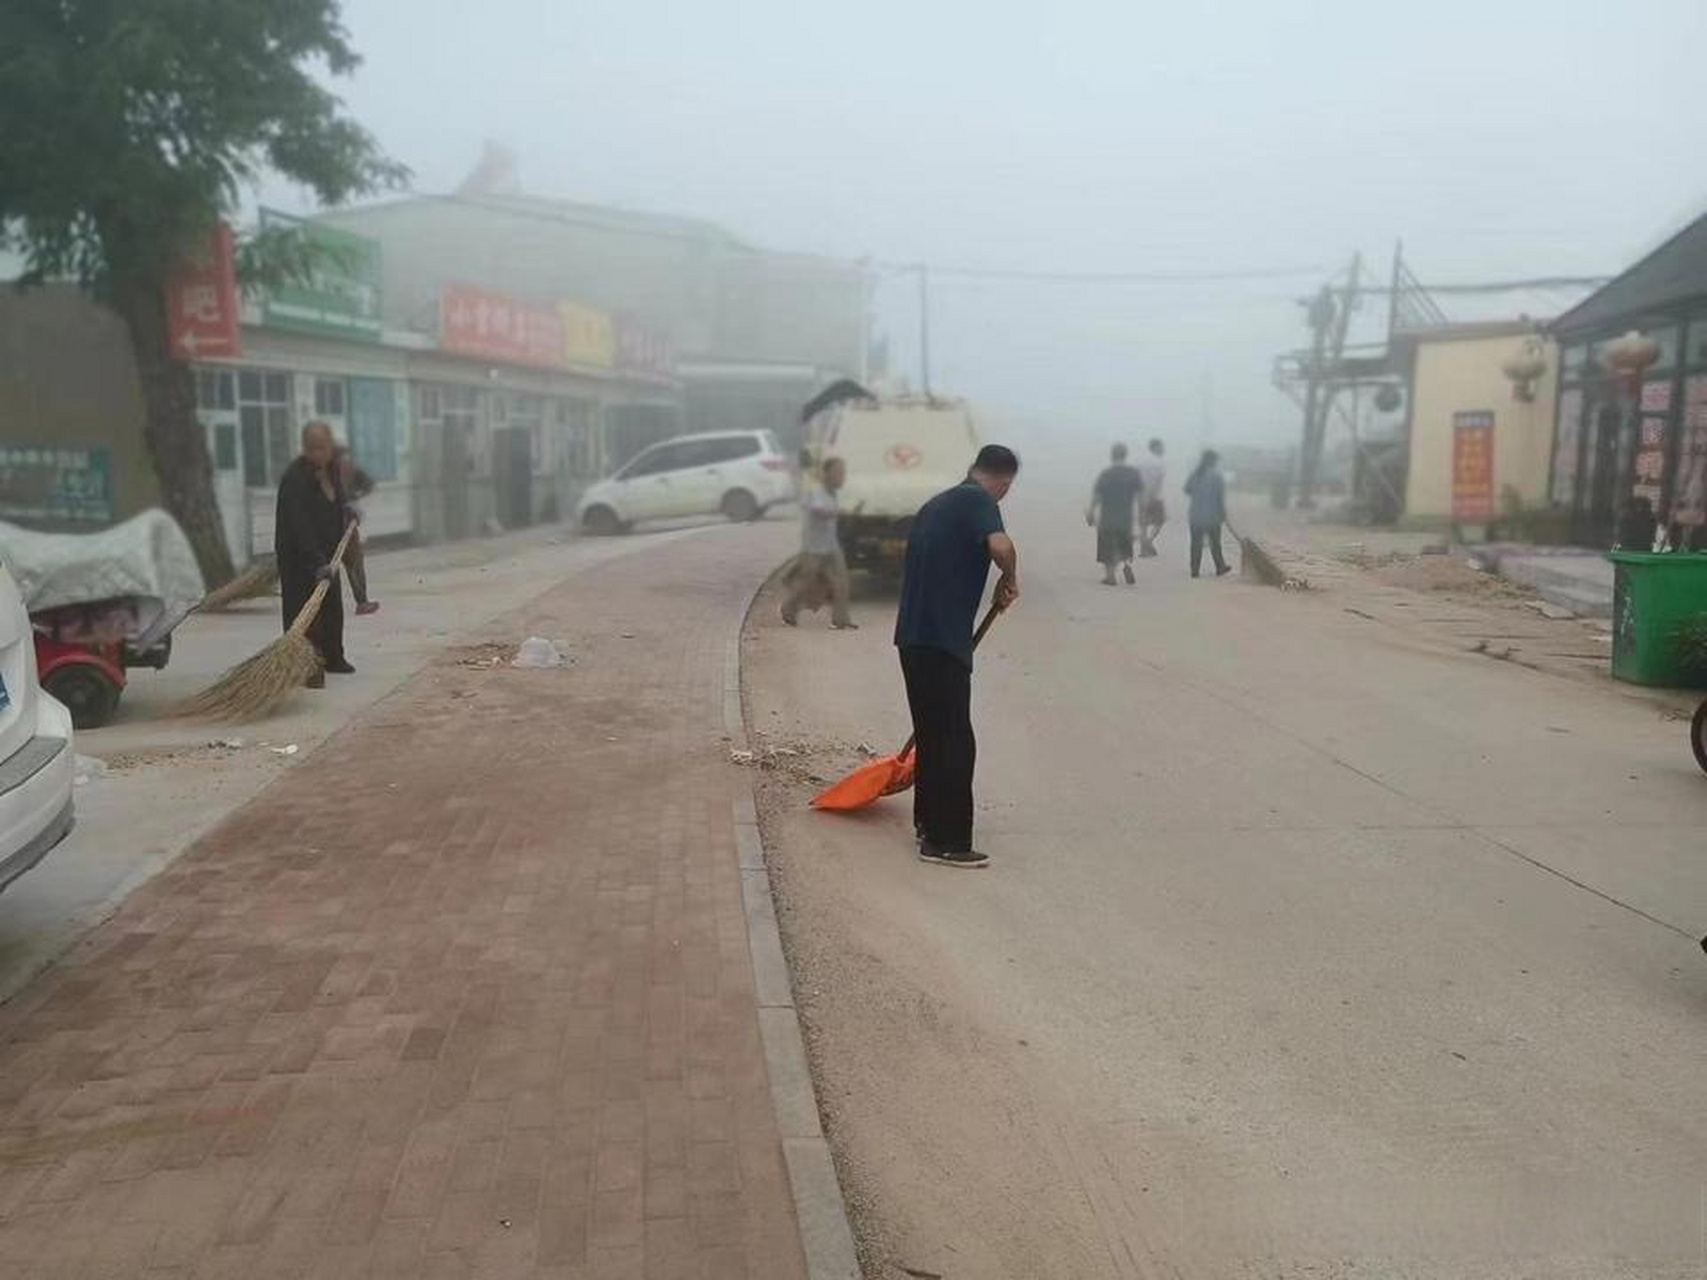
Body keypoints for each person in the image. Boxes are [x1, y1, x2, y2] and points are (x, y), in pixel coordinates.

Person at [894, 444, 1021, 869]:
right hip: (942, 640)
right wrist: (1010, 575)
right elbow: (1001, 546)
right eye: (1007, 490)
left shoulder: (938, 503)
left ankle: (928, 825)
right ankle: (947, 842)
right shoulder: (978, 500)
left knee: (932, 735)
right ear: (1003, 482)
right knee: (953, 741)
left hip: (913, 638)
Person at [275, 421, 352, 686]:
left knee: (332, 608)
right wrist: (315, 561)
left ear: (330, 447)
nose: (317, 454)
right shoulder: (295, 479)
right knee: (303, 612)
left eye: (322, 447)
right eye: (311, 448)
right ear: (304, 448)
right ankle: (307, 667)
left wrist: (348, 514)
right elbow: (299, 526)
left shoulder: (332, 471)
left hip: (328, 554)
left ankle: (334, 657)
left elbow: (337, 502)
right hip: (299, 558)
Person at [781, 456, 856, 629]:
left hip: (831, 546)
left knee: (842, 582)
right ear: (827, 473)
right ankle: (788, 609)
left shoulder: (832, 493)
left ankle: (841, 620)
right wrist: (837, 512)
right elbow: (817, 510)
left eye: (843, 473)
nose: (842, 477)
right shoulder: (815, 491)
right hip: (813, 547)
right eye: (838, 472)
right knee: (806, 581)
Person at [1086, 443, 1145, 585]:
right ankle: (1127, 565)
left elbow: (1097, 496)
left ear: (1112, 455)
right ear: (1125, 455)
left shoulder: (1106, 474)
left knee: (1107, 547)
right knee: (1125, 543)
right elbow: (1141, 496)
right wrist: (1142, 515)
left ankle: (1110, 576)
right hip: (1125, 517)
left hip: (1107, 517)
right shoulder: (1133, 473)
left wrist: (1090, 512)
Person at [335, 445, 381, 617]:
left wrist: (355, 498)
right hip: (337, 523)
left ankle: (362, 601)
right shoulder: (327, 475)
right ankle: (361, 602)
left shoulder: (350, 471)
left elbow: (369, 484)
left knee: (353, 561)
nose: (344, 462)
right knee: (352, 562)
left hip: (346, 523)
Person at [1183, 448, 1231, 578]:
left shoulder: (1195, 473)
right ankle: (1220, 567)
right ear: (1214, 461)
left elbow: (1186, 490)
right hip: (1213, 516)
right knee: (1215, 543)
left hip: (1195, 516)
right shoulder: (1217, 476)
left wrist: (1198, 493)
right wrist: (1224, 514)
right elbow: (1220, 498)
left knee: (1195, 544)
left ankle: (1194, 570)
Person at [1137, 438, 1167, 557]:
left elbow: (1136, 479)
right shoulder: (1159, 462)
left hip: (1141, 496)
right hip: (1155, 496)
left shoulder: (1140, 461)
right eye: (1161, 447)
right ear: (1155, 447)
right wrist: (1151, 495)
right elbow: (1158, 481)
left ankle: (1143, 549)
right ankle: (1148, 542)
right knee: (1160, 521)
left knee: (1143, 524)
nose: (1163, 449)